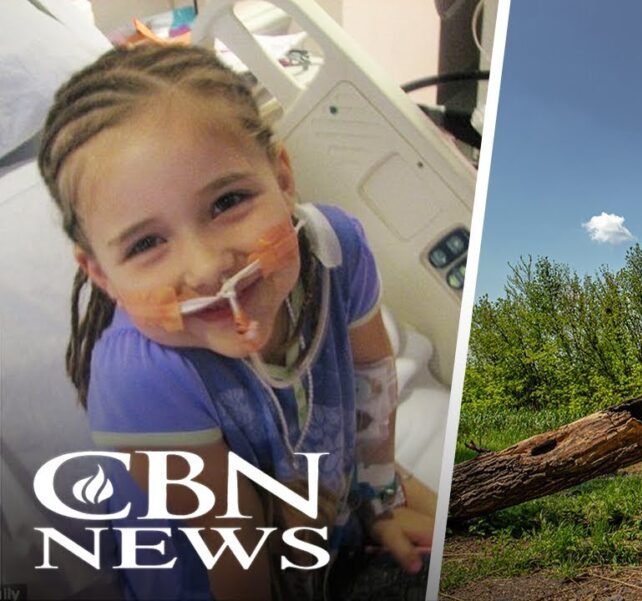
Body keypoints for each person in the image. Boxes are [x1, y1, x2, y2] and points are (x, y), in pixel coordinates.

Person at [37, 43, 436, 600]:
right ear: (102, 274)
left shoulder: (333, 249)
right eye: (147, 243)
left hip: (328, 529)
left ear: (283, 176)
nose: (206, 268)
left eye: (227, 202)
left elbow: (372, 369)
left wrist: (379, 494)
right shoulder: (145, 378)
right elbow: (239, 574)